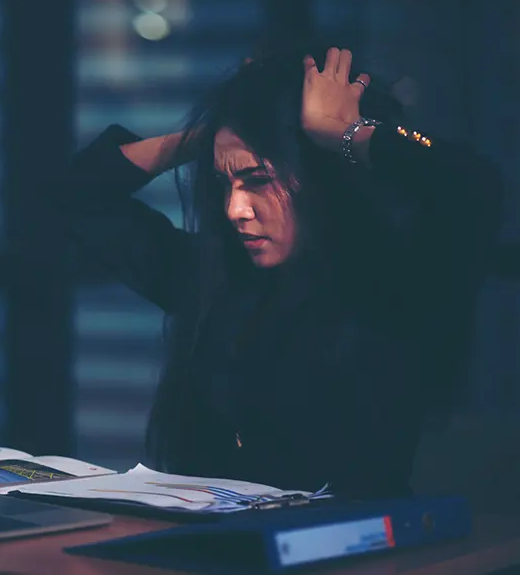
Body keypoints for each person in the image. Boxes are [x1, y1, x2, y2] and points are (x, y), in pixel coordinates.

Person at [49, 46, 503, 499]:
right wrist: (218, 130)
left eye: (259, 180)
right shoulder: (214, 279)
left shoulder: (395, 286)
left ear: (317, 174)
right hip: (206, 553)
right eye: (226, 184)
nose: (235, 209)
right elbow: (80, 194)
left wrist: (343, 132)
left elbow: (471, 183)